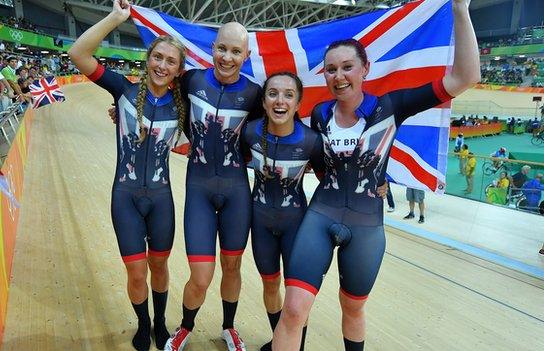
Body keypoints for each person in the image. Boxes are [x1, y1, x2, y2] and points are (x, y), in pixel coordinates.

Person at [272, 1, 480, 350]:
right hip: (321, 216)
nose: (339, 76)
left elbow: (465, 78)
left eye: (347, 67)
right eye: (331, 70)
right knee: (293, 310)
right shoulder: (320, 114)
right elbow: (321, 166)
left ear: (365, 69)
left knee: (353, 310)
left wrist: (461, 10)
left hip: (367, 228)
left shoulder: (391, 107)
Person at [68, 2, 187, 350]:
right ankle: (144, 322)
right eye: (158, 57)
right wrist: (117, 17)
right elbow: (78, 53)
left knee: (160, 268)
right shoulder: (122, 89)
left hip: (162, 199)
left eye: (171, 61)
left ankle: (162, 321)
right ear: (148, 58)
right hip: (126, 198)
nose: (162, 65)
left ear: (179, 70)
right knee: (137, 273)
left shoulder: (186, 104)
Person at [164, 21, 263, 351]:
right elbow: (158, 97)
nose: (227, 57)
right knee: (202, 277)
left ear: (246, 56)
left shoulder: (254, 94)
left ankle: (229, 327)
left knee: (232, 266)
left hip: (237, 193)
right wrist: (121, 111)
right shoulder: (191, 79)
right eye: (222, 48)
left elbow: (278, 130)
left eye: (236, 51)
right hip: (200, 193)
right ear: (212, 48)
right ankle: (185, 326)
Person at [241, 72, 324, 351]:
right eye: (273, 93)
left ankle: (295, 345)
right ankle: (280, 336)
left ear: (298, 103)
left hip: (296, 227)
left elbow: (333, 181)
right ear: (264, 102)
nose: (280, 100)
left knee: (296, 296)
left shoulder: (312, 141)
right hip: (260, 224)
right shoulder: (250, 132)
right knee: (270, 285)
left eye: (288, 94)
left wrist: (380, 181)